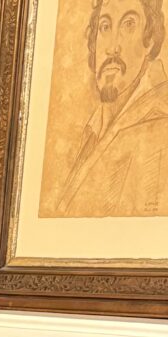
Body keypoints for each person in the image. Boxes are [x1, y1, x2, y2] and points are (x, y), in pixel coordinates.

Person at [57, 0, 168, 216]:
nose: (111, 47)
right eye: (105, 27)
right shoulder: (94, 130)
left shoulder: (160, 129)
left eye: (128, 24)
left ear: (151, 38)